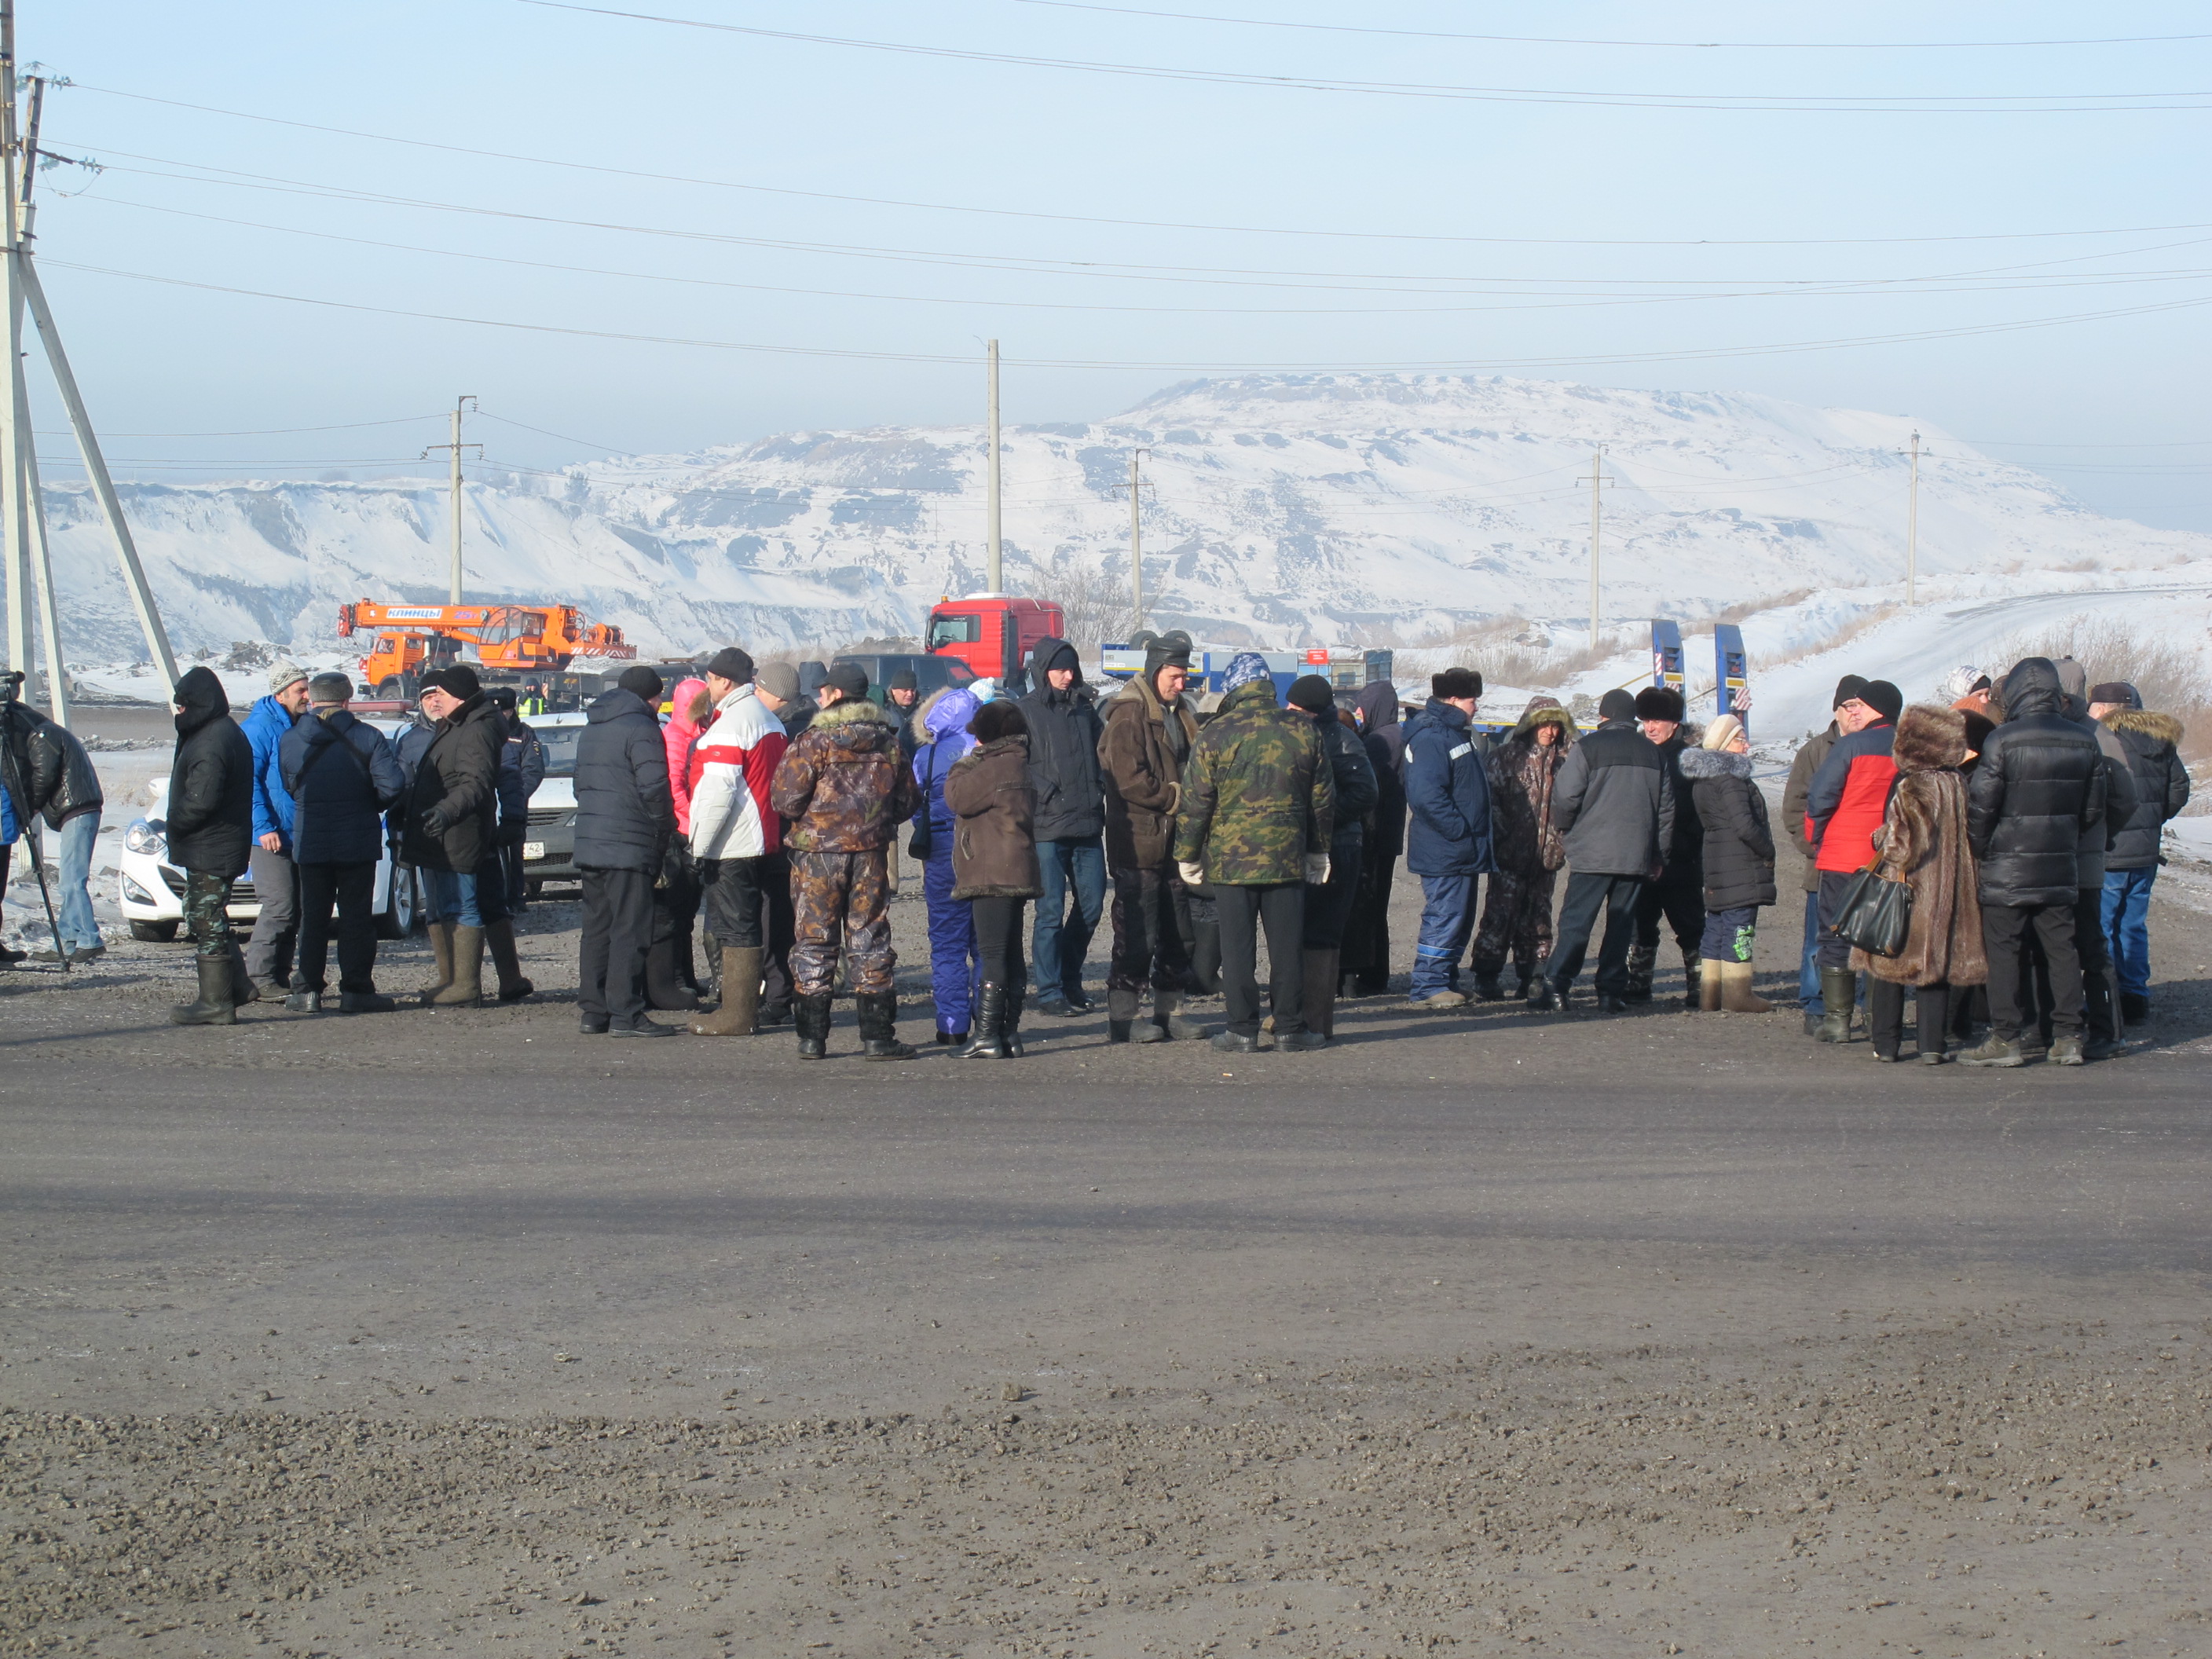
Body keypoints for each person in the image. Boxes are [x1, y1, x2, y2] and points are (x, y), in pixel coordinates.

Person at [1172, 651, 1335, 1053]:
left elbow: (1196, 802)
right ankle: (1290, 1029)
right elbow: (1322, 799)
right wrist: (1319, 851)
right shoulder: (1302, 729)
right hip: (1286, 857)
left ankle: (1241, 1030)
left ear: (1233, 688)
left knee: (1237, 948)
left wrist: (1187, 853)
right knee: (1286, 947)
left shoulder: (1216, 732)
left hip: (1231, 861)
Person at [770, 660, 921, 1060]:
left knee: (814, 941)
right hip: (869, 856)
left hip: (817, 858)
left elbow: (784, 800)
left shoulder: (813, 742)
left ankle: (811, 1038)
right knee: (870, 939)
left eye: (824, 690)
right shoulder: (889, 743)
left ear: (836, 694)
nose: (819, 695)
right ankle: (877, 1037)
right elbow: (908, 801)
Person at [1960, 658, 2105, 1068]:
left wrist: (1982, 847)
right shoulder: (2083, 739)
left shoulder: (2002, 740)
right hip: (2060, 863)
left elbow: (1981, 806)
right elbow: (2093, 809)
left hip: (2006, 866)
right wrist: (2065, 839)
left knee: (2005, 951)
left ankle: (2006, 1036)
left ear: (2017, 693)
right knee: (2063, 950)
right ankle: (2069, 1035)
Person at [1848, 705, 1986, 1062]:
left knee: (1890, 964)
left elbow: (1903, 846)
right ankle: (1932, 1047)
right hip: (1952, 891)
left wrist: (1881, 838)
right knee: (1936, 970)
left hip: (1912, 891)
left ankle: (1887, 1045)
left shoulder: (1913, 785)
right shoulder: (1959, 783)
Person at [1530, 687, 1673, 1014]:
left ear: (1604, 717)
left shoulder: (1587, 748)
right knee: (1621, 925)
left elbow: (1565, 797)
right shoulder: (1654, 754)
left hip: (1592, 853)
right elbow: (1666, 812)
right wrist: (1658, 856)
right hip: (1635, 855)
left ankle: (1556, 988)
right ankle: (1610, 993)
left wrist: (1567, 828)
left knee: (1576, 923)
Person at [277, 672, 407, 1013]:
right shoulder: (369, 736)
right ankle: (356, 990)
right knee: (356, 918)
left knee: (313, 917)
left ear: (313, 699)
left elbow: (289, 784)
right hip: (357, 839)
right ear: (348, 699)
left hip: (310, 838)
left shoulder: (291, 739)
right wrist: (368, 805)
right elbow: (392, 785)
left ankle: (306, 990)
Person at [1098, 631, 1205, 1043]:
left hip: (1175, 843)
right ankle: (1123, 1019)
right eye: (1175, 676)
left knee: (1179, 933)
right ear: (1156, 670)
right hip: (1139, 844)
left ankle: (1169, 1012)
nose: (1182, 684)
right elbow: (1129, 781)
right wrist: (1176, 797)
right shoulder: (1128, 716)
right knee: (1136, 935)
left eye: (1184, 676)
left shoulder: (1180, 715)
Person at [685, 648, 788, 1038]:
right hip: (766, 837)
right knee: (754, 921)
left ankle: (737, 1012)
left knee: (737, 926)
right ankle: (741, 1007)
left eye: (710, 679)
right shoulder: (770, 720)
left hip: (734, 842)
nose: (707, 687)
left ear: (724, 681)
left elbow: (717, 794)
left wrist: (699, 846)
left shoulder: (729, 726)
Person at [573, 665, 677, 1037]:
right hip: (630, 842)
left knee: (596, 927)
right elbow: (654, 788)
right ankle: (626, 1012)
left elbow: (579, 784)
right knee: (630, 927)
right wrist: (666, 826)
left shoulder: (593, 726)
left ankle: (593, 1010)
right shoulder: (642, 727)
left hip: (591, 839)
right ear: (650, 696)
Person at [399, 664, 507, 1008]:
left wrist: (445, 811)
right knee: (446, 905)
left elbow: (475, 782)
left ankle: (466, 985)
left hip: (461, 832)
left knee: (463, 906)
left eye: (440, 695)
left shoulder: (475, 729)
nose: (435, 702)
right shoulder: (459, 724)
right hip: (444, 832)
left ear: (458, 697)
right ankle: (451, 981)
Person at [1803, 679, 1903, 1043]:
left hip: (1843, 856)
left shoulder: (1852, 744)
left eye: (1862, 705)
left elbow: (1820, 796)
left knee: (1834, 935)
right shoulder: (1908, 747)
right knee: (1882, 938)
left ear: (1877, 708)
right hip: (1891, 857)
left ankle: (1837, 1022)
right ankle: (1878, 1018)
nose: (1855, 710)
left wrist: (1818, 837)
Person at [945, 700, 1043, 1058]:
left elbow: (957, 798)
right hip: (1017, 867)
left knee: (993, 954)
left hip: (991, 871)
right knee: (1012, 952)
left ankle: (987, 1035)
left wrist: (966, 761)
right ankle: (1009, 1033)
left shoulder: (993, 767)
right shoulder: (1021, 762)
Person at [1018, 637, 1107, 1017]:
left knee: (1092, 905)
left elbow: (1104, 755)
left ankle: (1070, 980)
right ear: (1042, 670)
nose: (1067, 676)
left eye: (1071, 669)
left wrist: (1101, 785)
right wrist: (1047, 790)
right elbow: (1016, 762)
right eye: (1059, 669)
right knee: (1050, 912)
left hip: (1087, 824)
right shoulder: (1025, 711)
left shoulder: (1086, 711)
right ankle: (1049, 990)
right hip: (1048, 828)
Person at [2093, 681, 2191, 1024]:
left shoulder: (2103, 739)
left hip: (2110, 848)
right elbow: (2179, 786)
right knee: (2133, 925)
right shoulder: (2160, 739)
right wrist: (2154, 818)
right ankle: (2135, 995)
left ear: (2104, 708)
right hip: (2146, 850)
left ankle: (2105, 1000)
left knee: (2102, 925)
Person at [164, 666, 256, 1025]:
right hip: (218, 843)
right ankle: (238, 985)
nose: (180, 713)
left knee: (205, 918)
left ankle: (215, 1002)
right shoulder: (220, 732)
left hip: (212, 845)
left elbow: (201, 800)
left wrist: (174, 822)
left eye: (184, 706)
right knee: (209, 913)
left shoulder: (211, 740)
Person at [1287, 676, 1377, 1040]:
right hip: (1313, 843)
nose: (1288, 715)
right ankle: (1301, 1017)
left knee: (1321, 933)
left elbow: (1365, 793)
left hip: (1338, 846)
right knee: (1302, 931)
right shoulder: (1312, 735)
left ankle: (1315, 1021)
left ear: (1310, 711)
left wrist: (1319, 816)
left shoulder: (1341, 740)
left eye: (1295, 710)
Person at [1401, 667, 1493, 1010]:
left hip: (1460, 849)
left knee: (1459, 917)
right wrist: (1460, 831)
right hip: (1447, 848)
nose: (1476, 707)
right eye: (1473, 700)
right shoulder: (1432, 737)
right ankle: (1429, 984)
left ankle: (1446, 979)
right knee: (1444, 915)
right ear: (1454, 700)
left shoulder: (1453, 734)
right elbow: (1426, 796)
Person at [1472, 695, 1574, 1001]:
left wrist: (1561, 840)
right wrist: (1504, 837)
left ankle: (1533, 975)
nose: (1550, 732)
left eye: (1555, 725)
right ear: (1531, 725)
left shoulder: (1569, 760)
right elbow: (1489, 800)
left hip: (1548, 856)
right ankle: (1487, 974)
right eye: (1544, 724)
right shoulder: (1506, 757)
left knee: (1539, 917)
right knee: (1500, 914)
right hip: (1510, 853)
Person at [1676, 714, 1775, 1013]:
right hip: (1740, 863)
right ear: (1724, 743)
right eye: (1740, 739)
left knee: (1717, 924)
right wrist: (1767, 849)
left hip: (1716, 860)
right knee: (1739, 926)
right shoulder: (1731, 779)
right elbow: (1744, 825)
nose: (1746, 745)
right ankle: (1738, 995)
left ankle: (1711, 994)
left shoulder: (1704, 780)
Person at [1, 690, 105, 964]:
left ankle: (89, 939)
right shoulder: (49, 731)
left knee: (72, 881)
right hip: (80, 809)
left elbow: (43, 776)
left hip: (77, 810)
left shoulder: (41, 736)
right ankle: (68, 942)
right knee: (67, 881)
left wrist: (29, 807)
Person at [1781, 678, 1861, 1035]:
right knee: (1819, 940)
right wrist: (1814, 847)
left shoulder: (1879, 747)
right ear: (1836, 710)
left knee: (1867, 936)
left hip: (1867, 867)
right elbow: (1795, 807)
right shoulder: (1815, 751)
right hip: (1824, 866)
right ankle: (1816, 1006)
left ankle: (1857, 1006)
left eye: (1861, 706)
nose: (1855, 713)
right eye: (1849, 706)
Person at [910, 683, 983, 1044]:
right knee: (987, 940)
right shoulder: (986, 752)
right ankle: (988, 1020)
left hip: (941, 849)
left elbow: (915, 806)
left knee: (947, 941)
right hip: (984, 848)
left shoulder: (928, 754)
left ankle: (952, 1026)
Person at [1630, 686, 1705, 1008]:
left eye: (1657, 720)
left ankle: (1701, 986)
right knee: (1640, 926)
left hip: (1680, 860)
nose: (1650, 727)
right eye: (1646, 719)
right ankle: (1637, 985)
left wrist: (1686, 850)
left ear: (1674, 723)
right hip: (1641, 858)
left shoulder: (1691, 761)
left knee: (1691, 928)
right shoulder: (1636, 754)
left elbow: (1700, 812)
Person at [240, 661, 312, 997]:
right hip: (268, 835)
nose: (307, 696)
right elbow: (247, 782)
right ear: (281, 693)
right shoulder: (259, 728)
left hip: (297, 831)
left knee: (296, 909)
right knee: (279, 906)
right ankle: (258, 977)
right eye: (300, 690)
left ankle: (280, 977)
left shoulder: (302, 725)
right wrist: (263, 826)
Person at [644, 675, 711, 1011]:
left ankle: (685, 973)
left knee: (686, 913)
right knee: (672, 911)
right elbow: (674, 790)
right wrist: (694, 821)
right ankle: (675, 977)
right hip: (679, 834)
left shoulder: (696, 734)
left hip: (691, 833)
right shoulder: (673, 738)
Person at [1340, 682, 1407, 998]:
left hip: (1375, 835)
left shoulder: (1382, 741)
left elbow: (1369, 787)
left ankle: (1367, 974)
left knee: (1367, 906)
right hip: (1386, 834)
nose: (1360, 713)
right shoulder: (1393, 735)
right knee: (1377, 909)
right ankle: (1376, 973)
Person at [751, 661, 806, 1023]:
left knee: (777, 916)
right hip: (787, 835)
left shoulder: (789, 729)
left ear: (777, 694)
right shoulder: (788, 724)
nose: (754, 694)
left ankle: (780, 993)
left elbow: (789, 792)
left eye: (760, 689)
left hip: (783, 836)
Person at [489, 687, 547, 919]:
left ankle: (515, 897)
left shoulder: (523, 734)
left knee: (514, 853)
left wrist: (518, 796)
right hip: (489, 804)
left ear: (511, 711)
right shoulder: (484, 733)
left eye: (502, 712)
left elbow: (533, 769)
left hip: (513, 805)